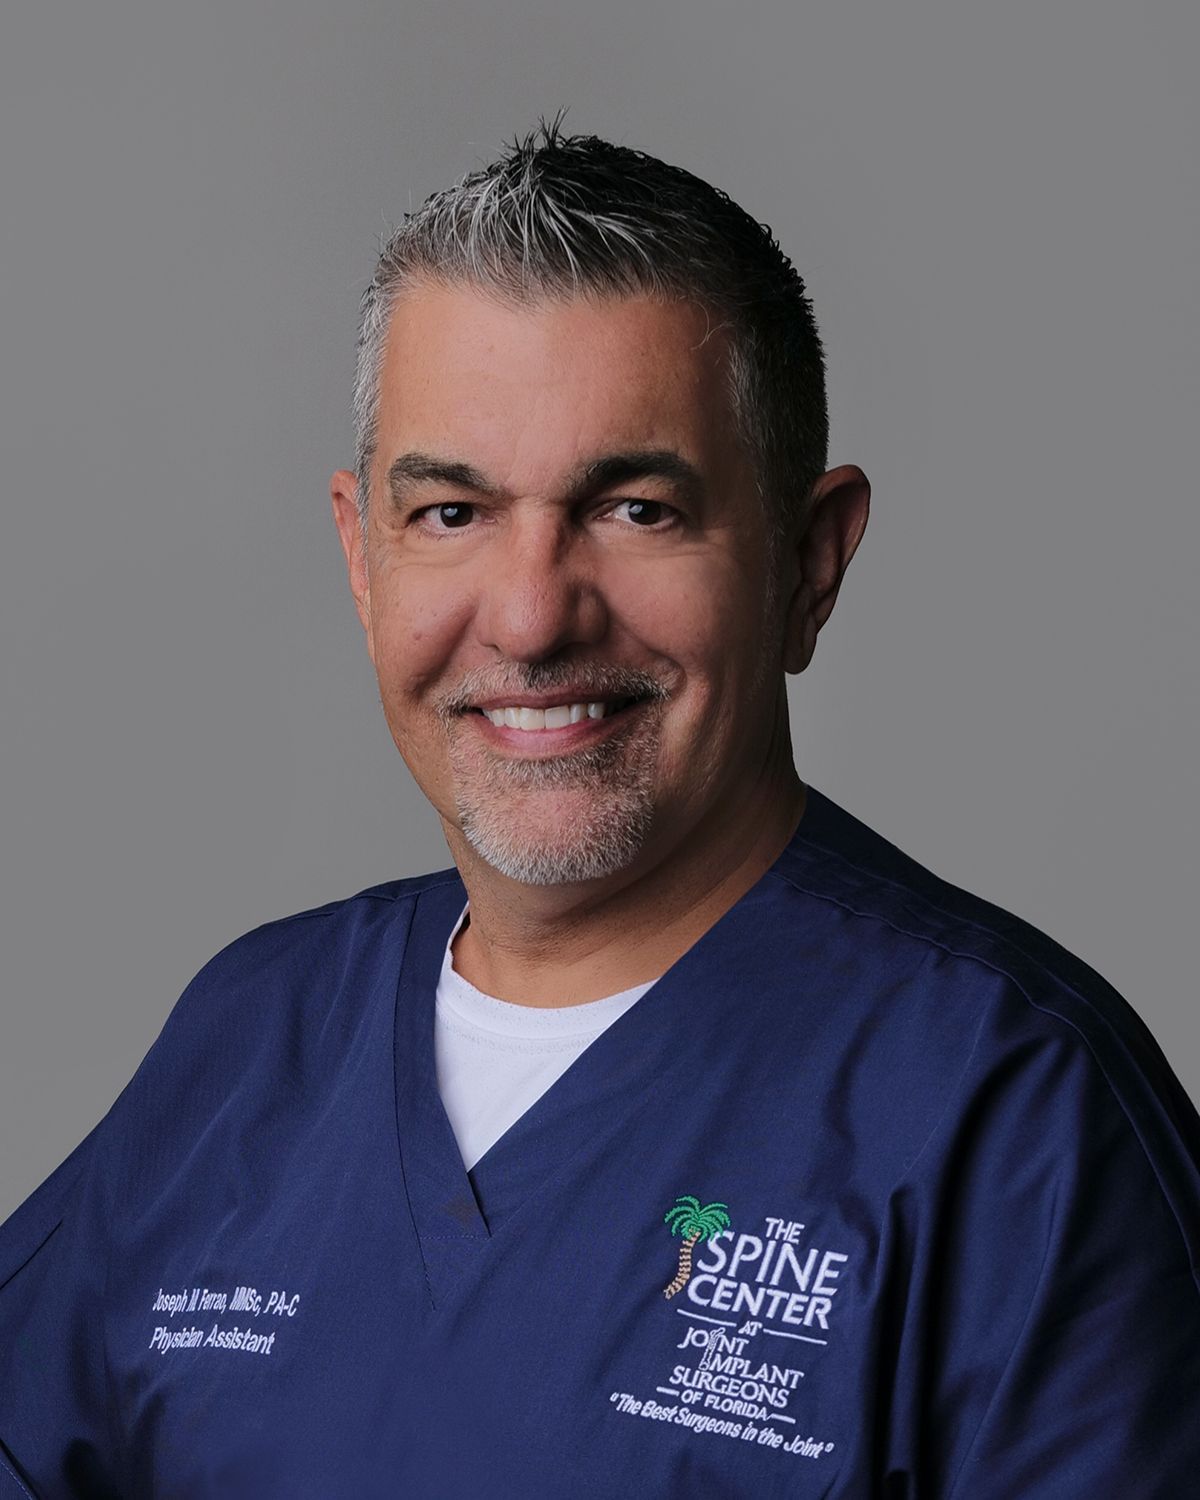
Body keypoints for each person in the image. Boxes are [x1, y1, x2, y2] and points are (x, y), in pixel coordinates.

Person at [1, 122, 1197, 1500]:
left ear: (810, 563)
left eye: (633, 508)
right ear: (361, 556)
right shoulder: (252, 1040)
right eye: (450, 513)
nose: (529, 617)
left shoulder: (1017, 1117)